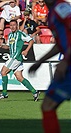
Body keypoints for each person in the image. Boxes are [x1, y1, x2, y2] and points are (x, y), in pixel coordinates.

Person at [28, 0, 71, 132]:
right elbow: (60, 44)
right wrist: (39, 62)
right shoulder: (52, 14)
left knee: (48, 105)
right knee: (48, 106)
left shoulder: (61, 7)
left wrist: (65, 61)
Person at [0, 20, 40, 101]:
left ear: (17, 26)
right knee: (19, 77)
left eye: (14, 25)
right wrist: (2, 46)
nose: (12, 27)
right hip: (15, 58)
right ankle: (35, 92)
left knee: (3, 72)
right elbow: (8, 47)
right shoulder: (10, 35)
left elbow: (31, 40)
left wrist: (26, 50)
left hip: (15, 58)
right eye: (10, 25)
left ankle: (4, 93)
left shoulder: (20, 34)